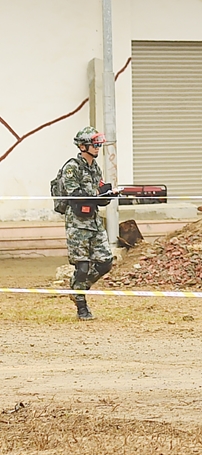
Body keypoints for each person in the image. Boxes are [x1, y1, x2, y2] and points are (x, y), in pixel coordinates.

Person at [62, 127, 115, 320]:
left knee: (105, 262)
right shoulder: (72, 167)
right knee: (82, 267)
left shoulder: (95, 168)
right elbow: (74, 195)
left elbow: (99, 195)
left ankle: (78, 288)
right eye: (95, 144)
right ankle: (81, 306)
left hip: (94, 221)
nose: (98, 147)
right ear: (83, 146)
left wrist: (108, 195)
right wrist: (96, 196)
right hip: (77, 223)